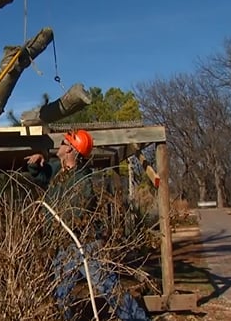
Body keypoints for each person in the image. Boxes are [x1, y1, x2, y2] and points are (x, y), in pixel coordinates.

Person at [25, 129, 149, 321]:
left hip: (83, 245)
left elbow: (77, 214)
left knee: (108, 287)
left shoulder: (83, 180)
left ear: (71, 151)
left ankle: (139, 319)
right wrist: (36, 163)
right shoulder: (58, 169)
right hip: (64, 247)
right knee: (61, 294)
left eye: (65, 142)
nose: (61, 144)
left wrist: (57, 223)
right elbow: (41, 177)